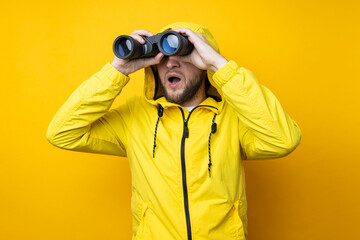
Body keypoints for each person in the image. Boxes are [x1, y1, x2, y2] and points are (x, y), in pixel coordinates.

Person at [47, 22, 301, 240]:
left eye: (184, 56)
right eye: (163, 58)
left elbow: (283, 140)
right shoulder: (134, 117)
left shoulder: (233, 118)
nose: (171, 65)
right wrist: (118, 71)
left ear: (203, 66)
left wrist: (218, 64)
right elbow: (62, 132)